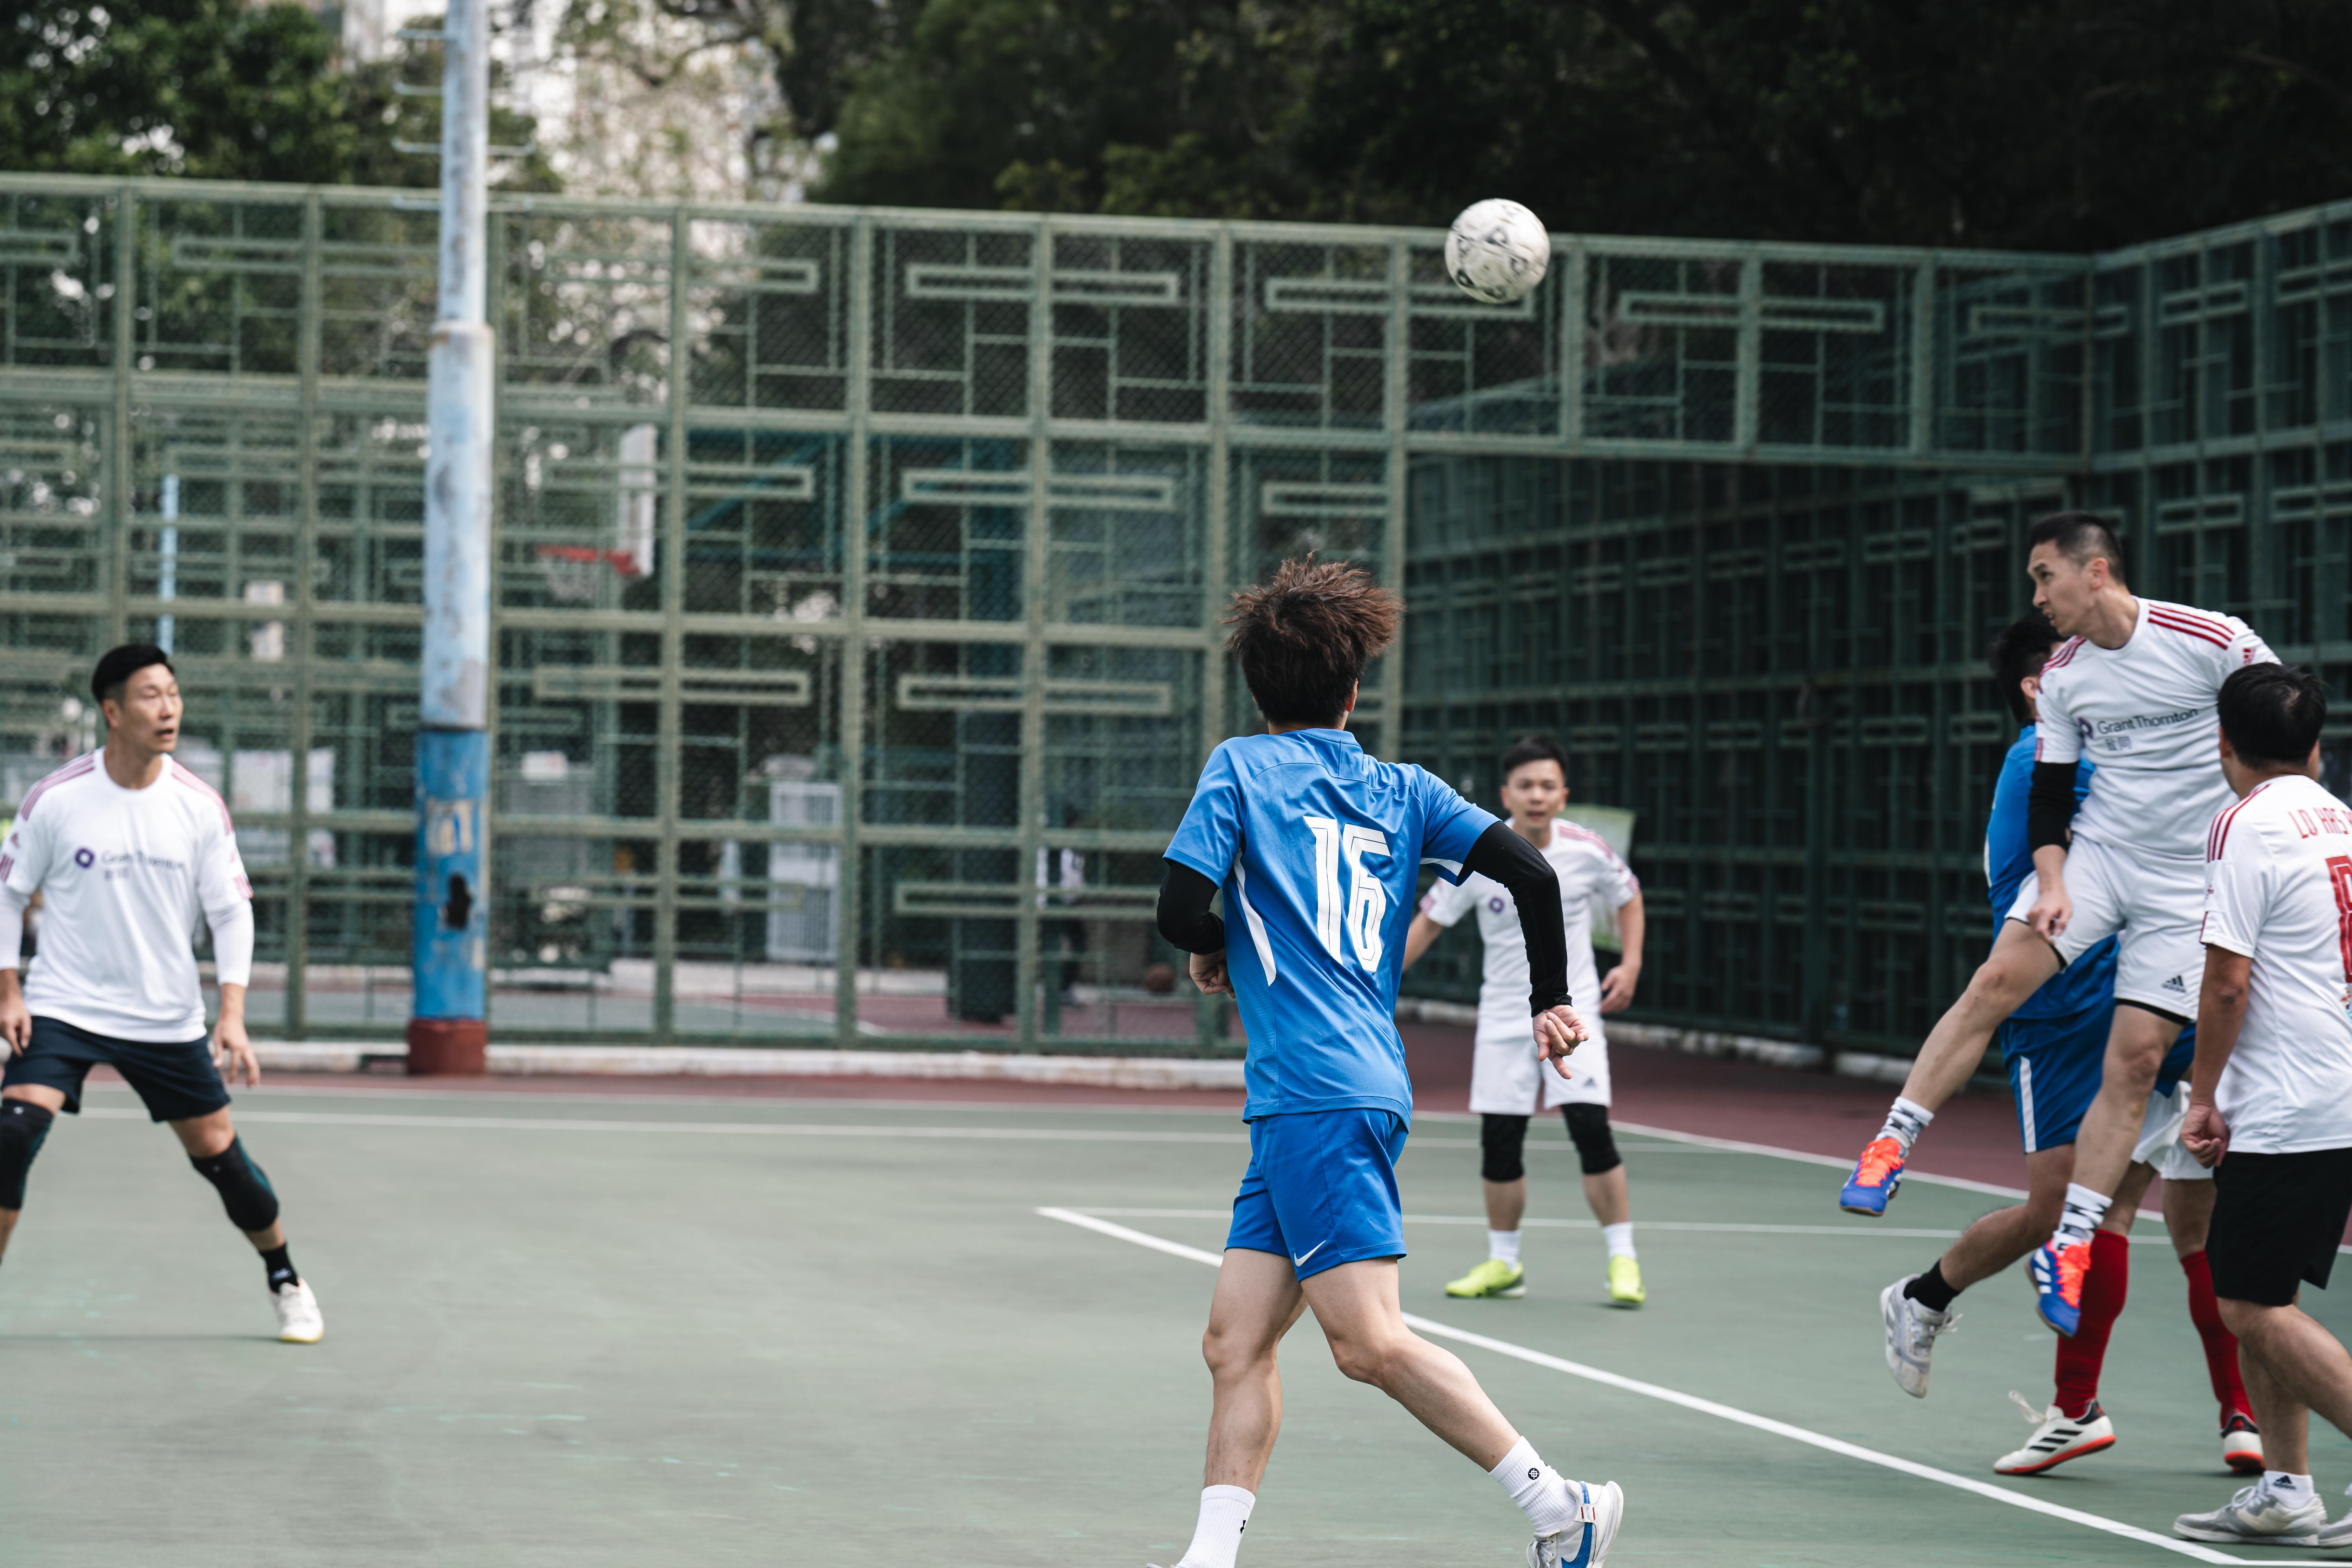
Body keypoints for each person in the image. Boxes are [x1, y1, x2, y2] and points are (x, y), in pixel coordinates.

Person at [1151, 557, 1621, 1568]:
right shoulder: (1407, 790)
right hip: (1325, 1092)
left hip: (1319, 1092)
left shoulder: (1239, 767)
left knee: (1368, 1342)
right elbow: (1533, 874)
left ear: (1258, 689)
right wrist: (1551, 995)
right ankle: (1209, 1557)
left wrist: (1218, 942)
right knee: (1235, 1340)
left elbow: (1181, 908)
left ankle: (1561, 1504)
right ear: (1353, 690)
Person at [1835, 512, 2276, 1340]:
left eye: (2045, 576)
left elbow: (2283, 725)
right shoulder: (2066, 677)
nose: (2038, 596)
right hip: (2099, 861)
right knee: (1996, 979)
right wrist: (2052, 882)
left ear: (2096, 571)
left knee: (2137, 1063)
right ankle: (1891, 1143)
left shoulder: (2213, 640)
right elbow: (2049, 794)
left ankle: (2070, 1241)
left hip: (2184, 887)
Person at [1872, 618, 2258, 1476]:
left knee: (2195, 1217)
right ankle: (1930, 1298)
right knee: (2067, 1210)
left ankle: (2231, 1410)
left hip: (2163, 995)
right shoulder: (2046, 762)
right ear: (2040, 689)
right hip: (2066, 1010)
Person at [0, 644, 324, 1343]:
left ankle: (285, 1278)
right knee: (12, 1132)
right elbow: (9, 894)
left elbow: (232, 912)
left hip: (164, 1016)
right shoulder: (57, 799)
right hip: (64, 1005)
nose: (169, 708)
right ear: (113, 712)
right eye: (151, 695)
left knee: (220, 1158)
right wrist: (9, 993)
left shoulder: (198, 806)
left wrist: (232, 1014)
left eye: (174, 693)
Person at [2170, 664, 2352, 1547]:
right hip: (2331, 1084)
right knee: (2260, 1287)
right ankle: (2286, 1489)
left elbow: (2227, 981)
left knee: (2248, 1304)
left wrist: (2203, 1095)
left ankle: (2293, 1484)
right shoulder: (2341, 817)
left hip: (2289, 1099)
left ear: (2224, 744)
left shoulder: (2243, 823)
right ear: (2315, 746)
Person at [1399, 734, 1650, 1306]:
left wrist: (1632, 964)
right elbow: (1429, 923)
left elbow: (1629, 897)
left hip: (1570, 1016)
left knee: (1591, 1129)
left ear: (1563, 796)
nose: (1536, 796)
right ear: (1506, 794)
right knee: (1500, 1141)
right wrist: (1375, 984)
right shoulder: (1478, 856)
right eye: (1525, 786)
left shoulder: (1587, 850)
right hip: (1502, 1020)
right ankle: (1504, 1263)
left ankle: (1623, 1259)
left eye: (1547, 786)